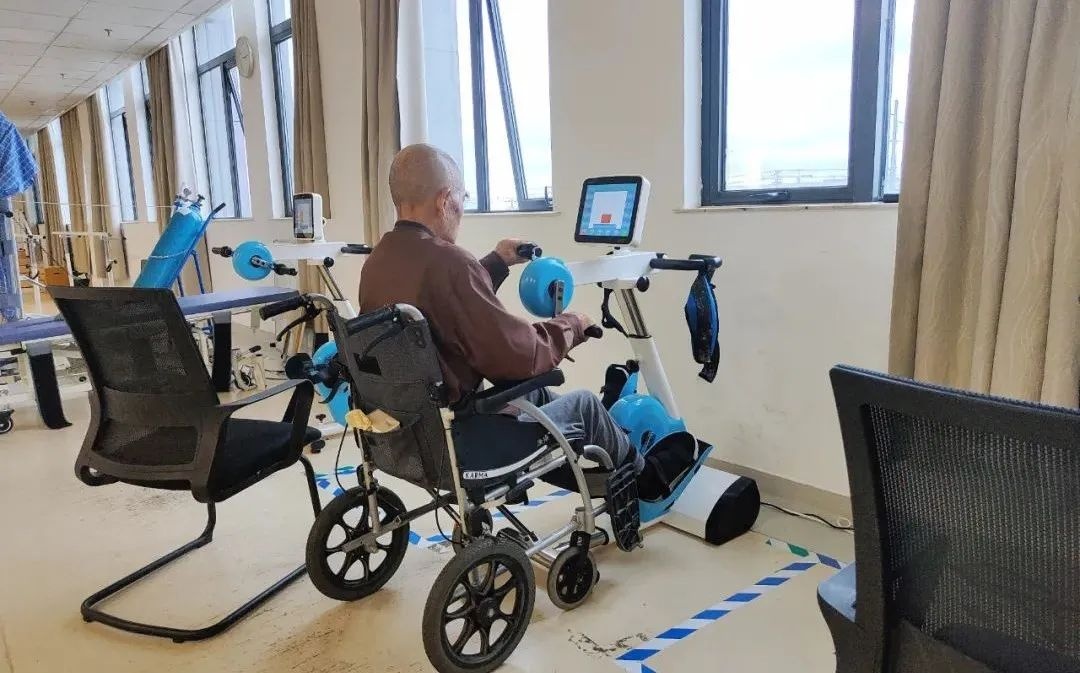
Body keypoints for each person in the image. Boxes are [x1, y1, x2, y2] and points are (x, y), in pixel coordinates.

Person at [359, 143, 642, 473]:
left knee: (536, 398)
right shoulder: (450, 263)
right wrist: (573, 324)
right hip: (461, 441)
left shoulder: (378, 261)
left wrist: (496, 262)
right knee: (586, 407)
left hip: (410, 437)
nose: (461, 210)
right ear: (444, 200)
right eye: (462, 198)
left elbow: (444, 305)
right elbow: (518, 357)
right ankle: (646, 478)